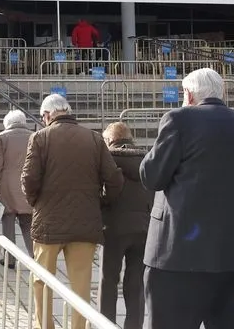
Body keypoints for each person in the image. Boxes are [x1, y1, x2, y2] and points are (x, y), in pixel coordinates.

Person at [140, 68, 234, 329]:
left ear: (188, 95)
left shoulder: (178, 120)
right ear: (221, 93)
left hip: (179, 258)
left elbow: (151, 176)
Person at [22, 93, 124, 329]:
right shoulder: (95, 139)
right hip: (85, 223)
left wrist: (36, 203)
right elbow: (114, 180)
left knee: (42, 280)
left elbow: (28, 179)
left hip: (48, 223)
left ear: (47, 115)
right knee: (81, 284)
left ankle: (44, 325)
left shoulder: (40, 138)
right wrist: (101, 202)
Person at [98, 121, 153, 329]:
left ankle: (105, 323)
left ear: (110, 140)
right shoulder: (147, 159)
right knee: (136, 283)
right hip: (144, 227)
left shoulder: (108, 159)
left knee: (108, 279)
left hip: (114, 227)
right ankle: (134, 325)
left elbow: (104, 192)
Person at [0, 109, 34, 268]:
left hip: (6, 186)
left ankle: (10, 259)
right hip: (27, 185)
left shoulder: (2, 138)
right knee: (28, 224)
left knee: (7, 223)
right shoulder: (33, 136)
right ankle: (34, 258)